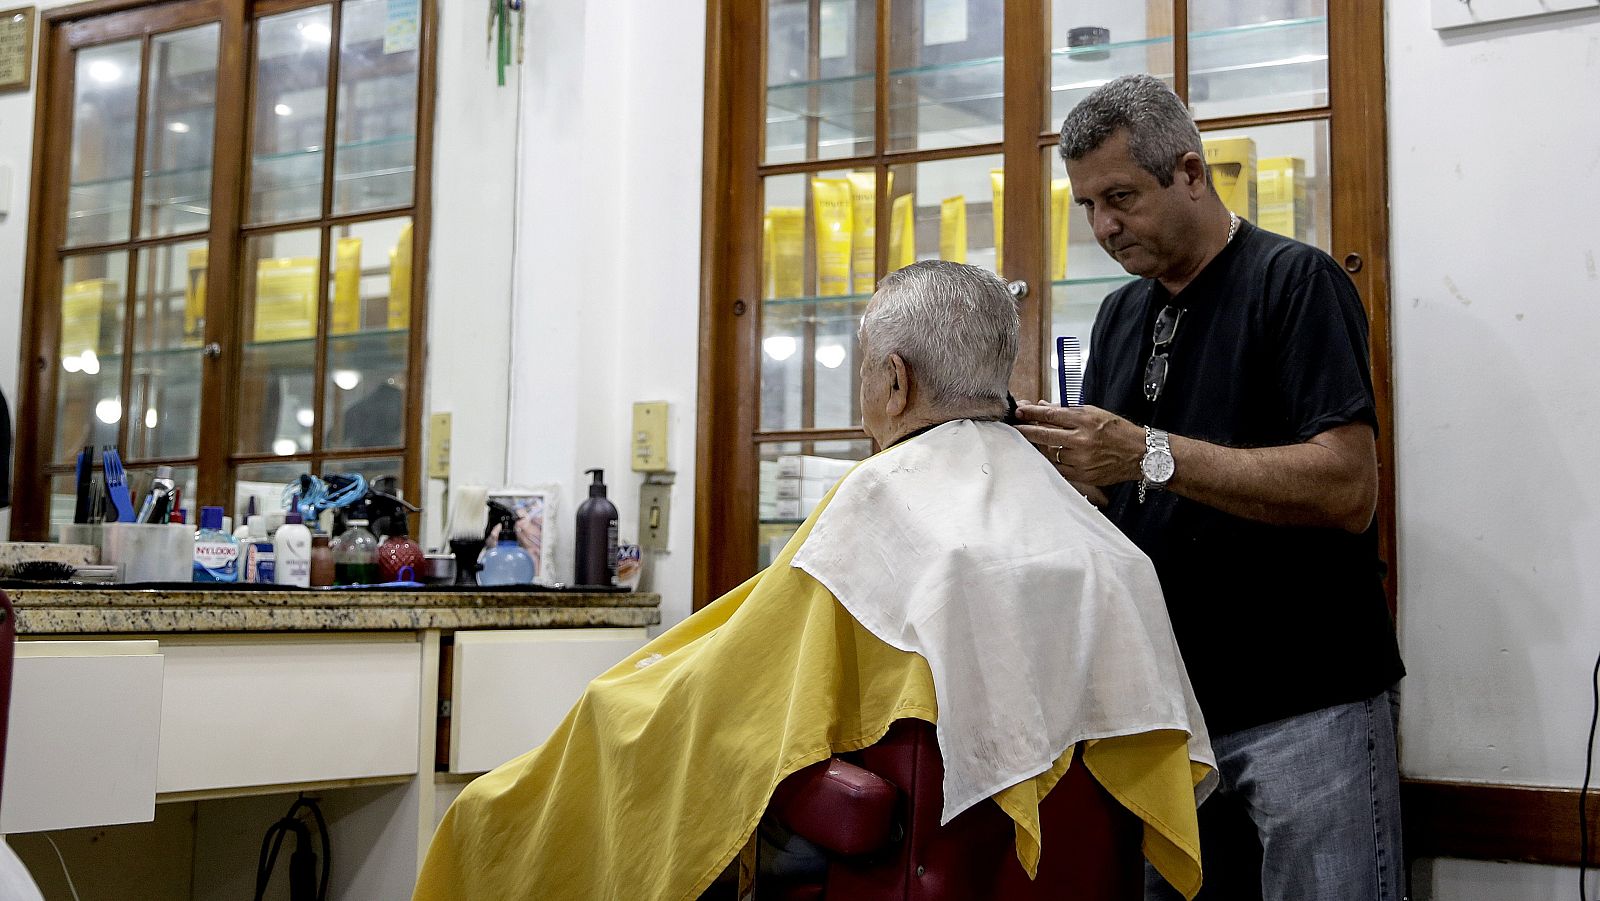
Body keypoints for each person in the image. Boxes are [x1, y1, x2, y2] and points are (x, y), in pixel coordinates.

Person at [415, 260, 1214, 901]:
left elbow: (747, 684)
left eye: (865, 373)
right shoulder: (1089, 531)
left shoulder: (882, 495)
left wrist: (629, 697)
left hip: (891, 834)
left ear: (895, 380)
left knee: (516, 792)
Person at [1014, 74, 1405, 901]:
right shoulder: (1120, 315)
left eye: (1121, 197)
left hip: (1307, 700)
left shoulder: (1295, 283)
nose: (1103, 226)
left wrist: (1147, 453)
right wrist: (1050, 469)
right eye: (1087, 206)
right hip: (1172, 713)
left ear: (1191, 173)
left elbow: (1348, 487)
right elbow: (1118, 497)